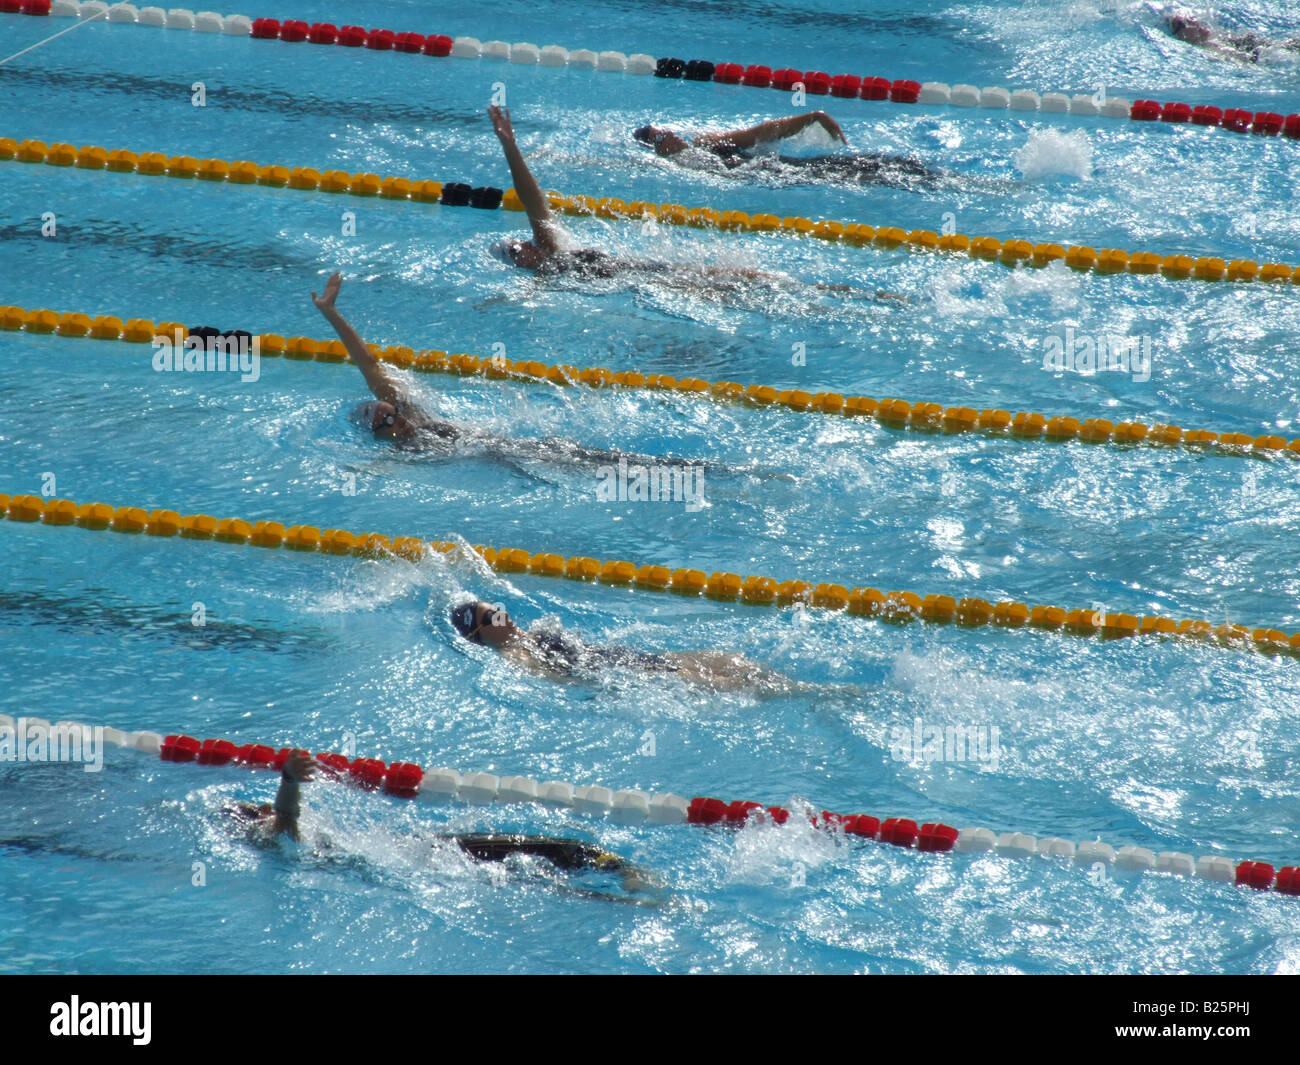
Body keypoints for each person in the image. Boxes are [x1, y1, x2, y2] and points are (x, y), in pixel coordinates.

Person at [487, 106, 907, 303]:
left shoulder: (557, 248)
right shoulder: (552, 272)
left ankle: (853, 295)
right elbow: (523, 298)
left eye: (518, 244)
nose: (522, 247)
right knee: (751, 287)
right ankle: (858, 298)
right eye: (514, 252)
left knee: (754, 280)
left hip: (660, 275)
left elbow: (532, 199)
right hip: (659, 284)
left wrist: (511, 146)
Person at [310, 271, 706, 468]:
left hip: (508, 446)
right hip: (499, 457)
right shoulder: (399, 455)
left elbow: (368, 363)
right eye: (387, 422)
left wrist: (332, 314)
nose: (397, 419)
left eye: (391, 411)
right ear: (378, 437)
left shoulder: (411, 417)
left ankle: (685, 469)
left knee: (600, 461)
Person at [225, 751, 656, 894]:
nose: (263, 809)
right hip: (427, 858)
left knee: (534, 859)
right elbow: (286, 818)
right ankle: (623, 877)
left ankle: (616, 876)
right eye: (256, 808)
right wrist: (287, 780)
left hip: (423, 850)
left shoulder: (283, 843)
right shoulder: (272, 836)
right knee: (548, 855)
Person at [449, 599, 817, 695]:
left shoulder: (528, 635)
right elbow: (562, 683)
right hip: (627, 675)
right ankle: (815, 694)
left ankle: (808, 689)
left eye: (497, 608)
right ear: (479, 636)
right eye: (492, 617)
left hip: (631, 659)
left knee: (733, 660)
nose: (502, 615)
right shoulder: (514, 656)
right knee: (738, 685)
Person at [633, 111, 942, 189]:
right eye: (661, 138)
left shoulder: (706, 143)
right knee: (861, 176)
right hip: (781, 177)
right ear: (659, 150)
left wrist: (811, 118)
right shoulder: (683, 165)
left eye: (666, 130)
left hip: (787, 167)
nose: (670, 136)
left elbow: (758, 134)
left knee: (883, 164)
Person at [1162, 11, 1300, 61]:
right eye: (1183, 23)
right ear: (1180, 35)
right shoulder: (1207, 48)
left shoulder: (1214, 36)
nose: (1192, 22)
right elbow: (1243, 59)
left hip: (1260, 45)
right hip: (1262, 54)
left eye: (1190, 18)